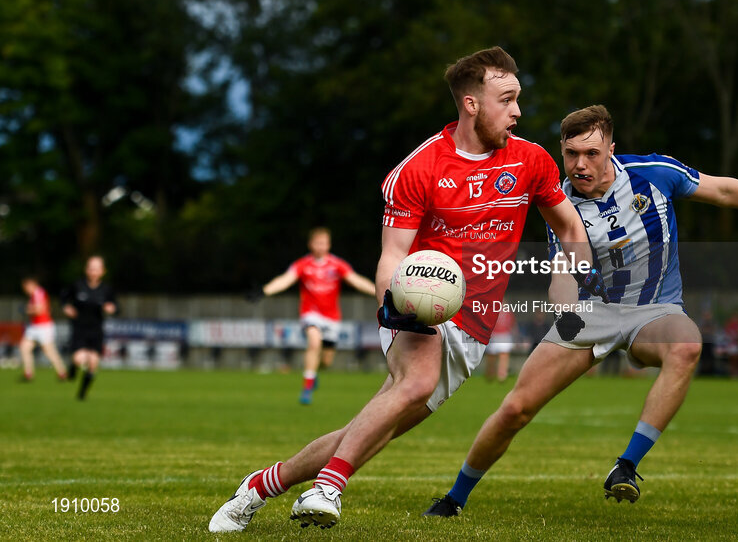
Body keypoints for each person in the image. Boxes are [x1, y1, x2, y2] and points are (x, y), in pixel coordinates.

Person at [208, 46, 606, 532]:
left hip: (475, 328)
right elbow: (392, 256)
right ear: (471, 103)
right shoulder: (419, 168)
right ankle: (328, 487)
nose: (518, 111)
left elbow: (569, 230)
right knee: (414, 383)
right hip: (418, 305)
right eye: (506, 99)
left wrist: (570, 286)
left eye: (518, 99)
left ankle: (259, 486)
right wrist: (392, 307)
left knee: (378, 426)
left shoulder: (531, 161)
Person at [422, 104, 738, 516]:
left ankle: (626, 466)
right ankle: (455, 497)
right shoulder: (558, 202)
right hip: (591, 313)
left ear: (612, 147)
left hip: (655, 309)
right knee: (516, 409)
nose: (580, 164)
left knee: (686, 346)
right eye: (571, 153)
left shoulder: (653, 172)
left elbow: (721, 190)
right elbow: (561, 271)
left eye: (591, 153)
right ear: (561, 150)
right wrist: (566, 314)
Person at [248, 227, 376, 404]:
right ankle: (307, 387)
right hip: (311, 314)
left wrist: (378, 291)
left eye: (324, 243)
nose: (320, 246)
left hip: (332, 318)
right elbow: (285, 280)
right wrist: (264, 291)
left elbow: (356, 280)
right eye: (317, 243)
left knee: (326, 361)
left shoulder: (337, 264)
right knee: (314, 342)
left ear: (329, 244)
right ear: (310, 244)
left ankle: (313, 373)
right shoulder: (302, 265)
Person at [61, 256, 117, 400]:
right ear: (86, 270)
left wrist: (111, 308)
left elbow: (116, 307)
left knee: (93, 363)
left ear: (102, 271)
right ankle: (73, 367)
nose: (93, 271)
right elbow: (64, 298)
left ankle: (82, 394)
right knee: (80, 359)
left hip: (96, 331)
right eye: (91, 268)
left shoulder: (106, 289)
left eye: (96, 269)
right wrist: (66, 307)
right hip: (79, 329)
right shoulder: (77, 285)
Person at [18, 276, 67, 382]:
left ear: (31, 285)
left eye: (26, 287)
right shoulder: (34, 295)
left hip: (43, 326)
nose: (25, 289)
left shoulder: (39, 293)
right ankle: (28, 373)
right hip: (34, 326)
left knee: (49, 351)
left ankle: (62, 372)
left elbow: (40, 310)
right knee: (24, 347)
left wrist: (26, 310)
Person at [485, 310, 517, 382]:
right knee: (491, 357)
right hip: (494, 335)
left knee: (504, 356)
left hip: (504, 335)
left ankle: (502, 376)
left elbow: (512, 324)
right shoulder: (492, 311)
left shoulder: (508, 313)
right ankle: (491, 374)